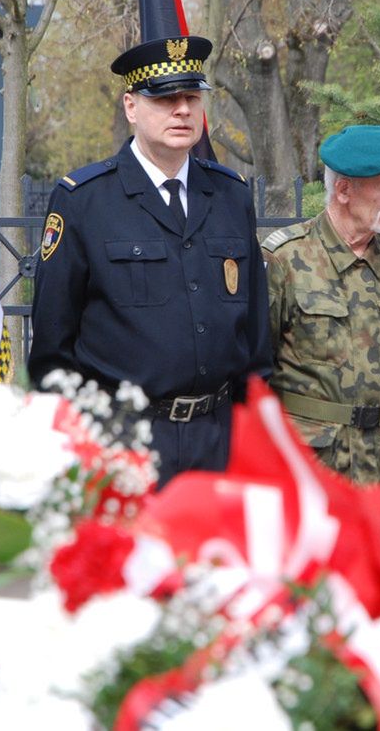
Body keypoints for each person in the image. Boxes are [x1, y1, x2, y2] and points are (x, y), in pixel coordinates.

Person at [28, 35, 270, 486]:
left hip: (218, 439)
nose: (182, 110)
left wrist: (250, 432)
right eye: (165, 99)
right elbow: (53, 348)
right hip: (122, 440)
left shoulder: (230, 195)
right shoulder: (85, 200)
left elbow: (255, 337)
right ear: (131, 107)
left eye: (191, 98)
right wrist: (78, 443)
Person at [261, 125, 380, 534]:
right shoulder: (285, 259)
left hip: (379, 473)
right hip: (303, 472)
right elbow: (250, 376)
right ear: (344, 190)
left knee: (370, 596)